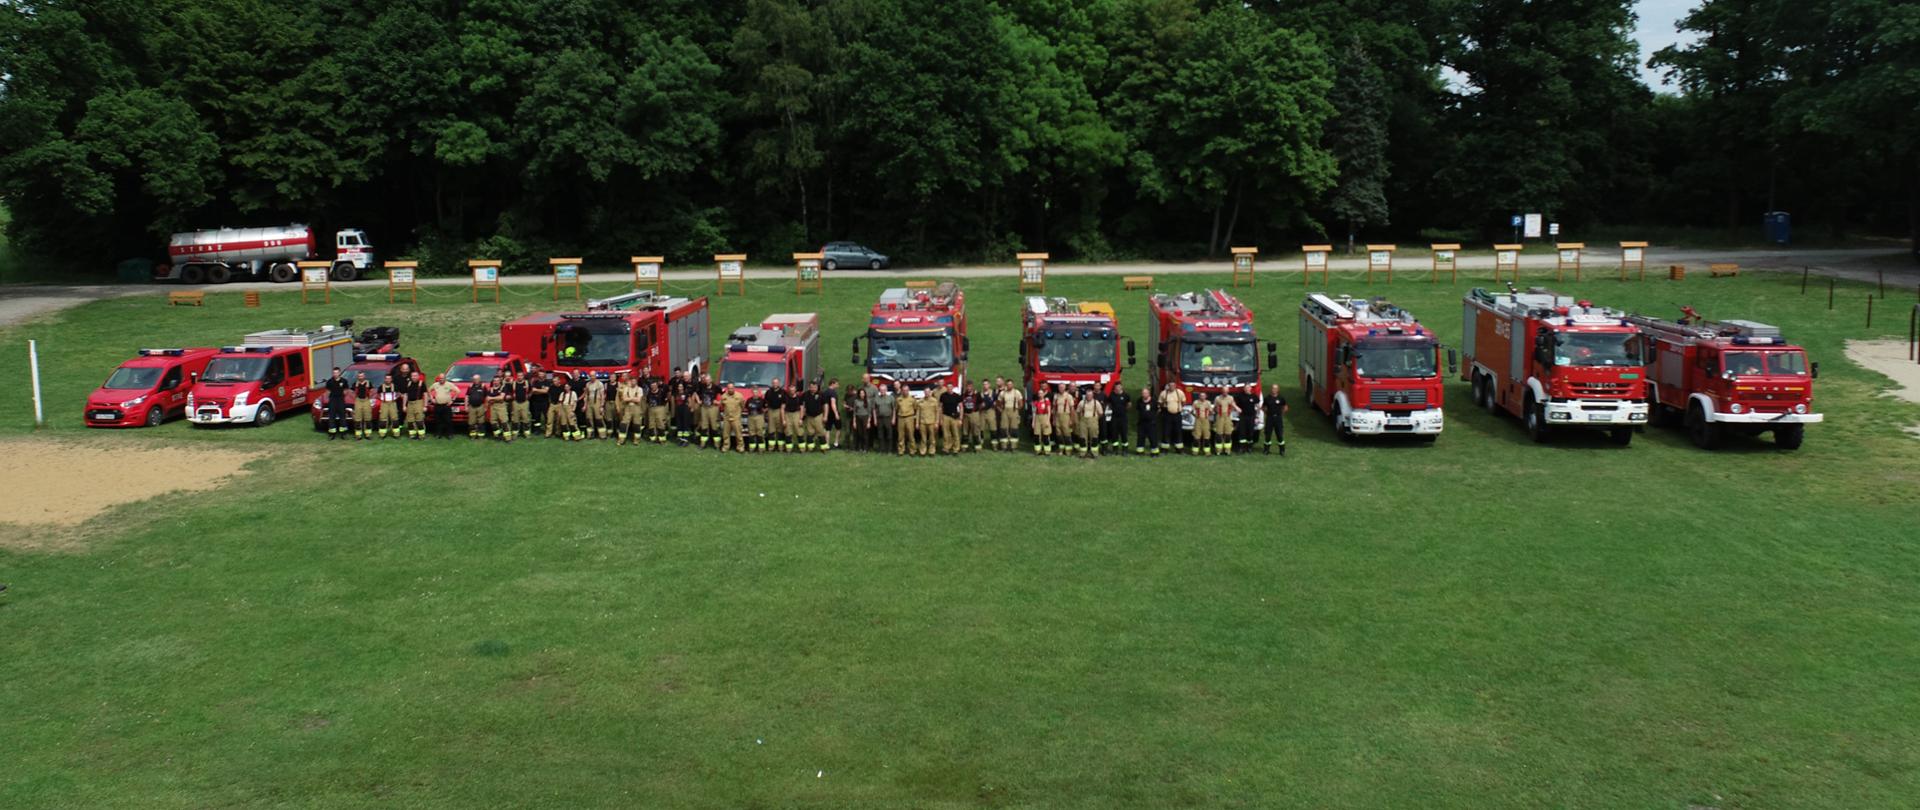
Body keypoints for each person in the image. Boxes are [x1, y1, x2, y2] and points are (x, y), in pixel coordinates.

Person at [320, 367, 350, 439]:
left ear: (339, 373)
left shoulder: (344, 381)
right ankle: (332, 434)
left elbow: (346, 390)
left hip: (340, 400)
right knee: (331, 417)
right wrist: (332, 397)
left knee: (342, 417)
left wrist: (341, 395)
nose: (335, 374)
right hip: (332, 400)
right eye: (334, 373)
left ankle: (343, 434)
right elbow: (328, 391)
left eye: (336, 373)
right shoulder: (329, 381)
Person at [428, 373, 459, 439]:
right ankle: (438, 434)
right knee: (438, 420)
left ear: (445, 378)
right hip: (438, 405)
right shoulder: (435, 385)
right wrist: (432, 398)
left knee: (448, 421)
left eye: (442, 378)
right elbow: (429, 390)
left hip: (446, 406)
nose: (441, 379)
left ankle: (450, 434)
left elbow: (458, 391)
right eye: (440, 378)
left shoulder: (449, 384)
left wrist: (452, 400)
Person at [996, 378, 1024, 451]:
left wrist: (1017, 411)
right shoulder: (1002, 393)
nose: (1009, 386)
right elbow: (998, 403)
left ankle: (1013, 446)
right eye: (1008, 384)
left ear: (1013, 385)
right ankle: (1004, 446)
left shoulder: (1017, 392)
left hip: (1014, 411)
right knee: (1003, 429)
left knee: (1014, 429)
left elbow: (1021, 403)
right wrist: (1001, 410)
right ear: (1006, 385)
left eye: (1011, 384)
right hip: (1005, 411)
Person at [1076, 386, 1103, 458]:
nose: (1089, 397)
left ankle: (1094, 453)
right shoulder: (1081, 402)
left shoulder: (1096, 403)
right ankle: (1082, 453)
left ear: (1093, 395)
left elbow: (1101, 413)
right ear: (1085, 395)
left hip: (1093, 422)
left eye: (1090, 395)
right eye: (1087, 395)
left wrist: (1095, 419)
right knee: (1082, 438)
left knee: (1094, 438)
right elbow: (1078, 412)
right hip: (1083, 422)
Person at [1159, 382, 1187, 452]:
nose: (1172, 387)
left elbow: (1184, 402)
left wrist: (1179, 408)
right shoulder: (1163, 393)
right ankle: (1164, 449)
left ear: (1175, 386)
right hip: (1167, 415)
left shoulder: (1180, 392)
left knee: (1178, 431)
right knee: (1166, 431)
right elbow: (1160, 403)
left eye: (1173, 385)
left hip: (1177, 415)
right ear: (1168, 386)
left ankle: (1179, 449)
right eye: (1170, 386)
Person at [802, 381, 829, 451]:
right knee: (809, 433)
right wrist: (802, 416)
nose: (813, 389)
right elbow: (802, 406)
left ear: (817, 387)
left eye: (815, 387)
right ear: (809, 387)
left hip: (818, 416)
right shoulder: (805, 394)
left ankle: (823, 448)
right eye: (811, 387)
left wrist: (825, 416)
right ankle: (810, 448)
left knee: (821, 432)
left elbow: (825, 405)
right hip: (809, 416)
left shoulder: (821, 394)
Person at [1263, 383, 1288, 455]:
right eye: (1273, 388)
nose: (1274, 390)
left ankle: (1282, 450)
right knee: (1268, 434)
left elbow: (1285, 407)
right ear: (1271, 389)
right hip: (1269, 418)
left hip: (1278, 418)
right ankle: (1266, 450)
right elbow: (1264, 407)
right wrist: (1267, 413)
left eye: (1275, 388)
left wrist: (1281, 414)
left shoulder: (1281, 398)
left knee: (1279, 434)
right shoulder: (1267, 398)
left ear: (1278, 390)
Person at [1051, 384, 1077, 455]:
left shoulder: (1069, 396)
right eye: (1059, 387)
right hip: (1057, 416)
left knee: (1067, 434)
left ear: (1065, 388)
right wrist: (1054, 419)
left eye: (1062, 387)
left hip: (1066, 416)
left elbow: (1072, 409)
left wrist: (1071, 420)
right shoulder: (1056, 396)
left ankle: (1068, 450)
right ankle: (1061, 450)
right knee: (1059, 434)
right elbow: (1054, 408)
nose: (1061, 389)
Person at [718, 384, 746, 452]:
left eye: (732, 388)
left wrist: (738, 413)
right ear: (727, 389)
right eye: (729, 388)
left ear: (734, 388)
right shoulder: (724, 396)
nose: (730, 390)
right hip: (727, 418)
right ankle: (726, 446)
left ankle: (740, 447)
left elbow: (743, 406)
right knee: (725, 434)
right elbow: (722, 405)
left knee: (738, 434)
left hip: (736, 418)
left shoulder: (739, 396)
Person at [916, 384, 941, 456]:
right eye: (925, 392)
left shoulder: (934, 401)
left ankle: (932, 451)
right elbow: (918, 413)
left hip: (932, 422)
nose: (927, 393)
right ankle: (923, 451)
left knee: (932, 438)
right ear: (924, 392)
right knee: (923, 438)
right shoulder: (920, 401)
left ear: (930, 392)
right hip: (922, 422)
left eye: (928, 392)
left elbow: (937, 412)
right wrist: (917, 423)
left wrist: (937, 422)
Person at [762, 382, 789, 451]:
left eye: (776, 383)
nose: (775, 384)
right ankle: (771, 447)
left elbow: (786, 402)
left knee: (780, 429)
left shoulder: (783, 392)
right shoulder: (769, 392)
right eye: (774, 383)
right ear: (772, 384)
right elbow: (765, 401)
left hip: (780, 411)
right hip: (771, 411)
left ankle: (781, 447)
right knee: (771, 430)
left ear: (779, 384)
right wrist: (765, 409)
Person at [1233, 383, 1259, 453]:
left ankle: (1249, 447)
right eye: (1246, 388)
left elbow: (1257, 406)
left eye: (1248, 387)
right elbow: (1233, 402)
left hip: (1251, 417)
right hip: (1243, 417)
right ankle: (1242, 448)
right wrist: (1237, 408)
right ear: (1244, 389)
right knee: (1242, 432)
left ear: (1251, 388)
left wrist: (1257, 416)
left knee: (1250, 432)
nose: (1247, 389)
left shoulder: (1254, 396)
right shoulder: (1240, 396)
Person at [1134, 385, 1160, 456]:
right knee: (1140, 437)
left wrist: (1153, 417)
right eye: (1143, 393)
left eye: (1145, 393)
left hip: (1151, 423)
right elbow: (1138, 410)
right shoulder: (1139, 401)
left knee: (1153, 438)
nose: (1144, 394)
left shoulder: (1154, 401)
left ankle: (1154, 452)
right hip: (1141, 423)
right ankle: (1140, 452)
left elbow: (1158, 410)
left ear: (1149, 393)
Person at [963, 381, 988, 451]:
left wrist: (977, 410)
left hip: (974, 414)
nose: (969, 388)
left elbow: (983, 404)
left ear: (972, 387)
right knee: (965, 431)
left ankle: (977, 447)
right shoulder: (964, 395)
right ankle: (964, 447)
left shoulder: (977, 394)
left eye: (970, 386)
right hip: (966, 414)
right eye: (967, 386)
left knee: (975, 431)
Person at [1211, 388, 1238, 455]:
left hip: (1228, 416)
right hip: (1219, 416)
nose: (1225, 393)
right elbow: (1214, 407)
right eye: (1223, 391)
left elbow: (1234, 406)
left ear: (1228, 391)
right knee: (1219, 434)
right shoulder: (1217, 398)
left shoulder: (1231, 398)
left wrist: (1236, 409)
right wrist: (1213, 411)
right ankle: (1218, 451)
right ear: (1221, 391)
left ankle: (1227, 450)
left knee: (1228, 434)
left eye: (1226, 391)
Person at [1104, 385, 1129, 453]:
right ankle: (1115, 449)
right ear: (1114, 388)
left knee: (1124, 434)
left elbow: (1129, 404)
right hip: (1114, 417)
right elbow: (1108, 403)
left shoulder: (1126, 395)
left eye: (1119, 387)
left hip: (1123, 418)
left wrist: (1125, 410)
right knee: (1114, 434)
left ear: (1121, 387)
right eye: (1116, 387)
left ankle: (1125, 449)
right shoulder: (1111, 395)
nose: (1118, 389)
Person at [349, 371, 374, 439]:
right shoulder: (355, 384)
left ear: (364, 376)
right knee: (357, 418)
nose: (360, 377)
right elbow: (351, 391)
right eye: (359, 376)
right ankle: (358, 435)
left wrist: (370, 397)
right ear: (358, 377)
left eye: (362, 376)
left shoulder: (369, 383)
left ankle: (368, 434)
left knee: (368, 418)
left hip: (366, 400)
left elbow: (372, 391)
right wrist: (354, 397)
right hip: (358, 401)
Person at [486, 377, 512, 442]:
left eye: (497, 381)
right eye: (494, 381)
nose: (496, 382)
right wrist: (493, 399)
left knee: (504, 422)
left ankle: (508, 438)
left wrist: (491, 398)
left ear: (500, 381)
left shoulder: (503, 388)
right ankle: (499, 436)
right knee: (493, 422)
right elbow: (487, 398)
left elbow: (501, 397)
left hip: (501, 406)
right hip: (492, 406)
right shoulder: (490, 389)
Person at [403, 371, 427, 439]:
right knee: (410, 421)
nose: (414, 377)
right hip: (410, 404)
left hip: (418, 403)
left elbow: (425, 395)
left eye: (415, 376)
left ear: (418, 376)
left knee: (419, 420)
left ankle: (421, 435)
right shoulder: (408, 383)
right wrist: (404, 405)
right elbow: (405, 395)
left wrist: (425, 406)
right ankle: (412, 435)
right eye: (412, 376)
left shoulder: (421, 383)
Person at [871, 383, 895, 453]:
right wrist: (875, 420)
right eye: (881, 390)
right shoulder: (876, 399)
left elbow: (894, 409)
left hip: (888, 418)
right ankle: (882, 449)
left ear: (886, 390)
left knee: (889, 435)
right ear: (879, 390)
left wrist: (893, 418)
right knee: (880, 435)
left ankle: (889, 449)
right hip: (879, 419)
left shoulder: (891, 398)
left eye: (884, 390)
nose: (882, 391)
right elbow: (874, 410)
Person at [847, 386, 871, 452]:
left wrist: (869, 422)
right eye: (860, 393)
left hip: (865, 417)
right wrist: (854, 422)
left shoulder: (868, 401)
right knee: (859, 433)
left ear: (865, 394)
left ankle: (865, 448)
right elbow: (854, 412)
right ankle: (860, 447)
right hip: (858, 417)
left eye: (863, 393)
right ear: (859, 394)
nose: (862, 394)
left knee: (865, 433)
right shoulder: (856, 401)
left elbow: (869, 412)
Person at [1030, 385, 1052, 454]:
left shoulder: (1047, 401)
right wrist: (1033, 422)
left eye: (1041, 393)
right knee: (1036, 435)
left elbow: (1049, 412)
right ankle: (1038, 450)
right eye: (1039, 393)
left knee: (1046, 436)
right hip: (1037, 418)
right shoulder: (1035, 403)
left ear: (1043, 394)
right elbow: (1034, 413)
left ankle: (1047, 451)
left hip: (1045, 417)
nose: (1040, 395)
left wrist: (1048, 421)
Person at [509, 370, 532, 438]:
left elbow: (531, 390)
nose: (520, 377)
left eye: (521, 376)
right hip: (515, 402)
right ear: (517, 376)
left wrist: (529, 396)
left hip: (525, 403)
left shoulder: (527, 383)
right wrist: (512, 396)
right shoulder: (513, 383)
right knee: (515, 419)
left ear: (523, 376)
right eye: (518, 376)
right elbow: (510, 392)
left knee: (525, 418)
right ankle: (515, 434)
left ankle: (527, 434)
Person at [528, 370, 551, 437]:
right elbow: (533, 391)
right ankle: (537, 430)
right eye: (539, 374)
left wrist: (537, 390)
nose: (540, 375)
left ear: (544, 375)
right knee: (537, 416)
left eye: (542, 374)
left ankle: (547, 430)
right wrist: (541, 391)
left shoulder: (547, 382)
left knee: (546, 416)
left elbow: (546, 391)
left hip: (545, 402)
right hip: (536, 402)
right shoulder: (535, 382)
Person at [376, 374, 399, 438]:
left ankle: (396, 434)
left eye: (389, 378)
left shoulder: (395, 386)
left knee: (395, 419)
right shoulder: (381, 387)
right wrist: (381, 399)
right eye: (386, 378)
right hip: (384, 403)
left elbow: (398, 393)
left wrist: (395, 398)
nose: (388, 380)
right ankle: (382, 434)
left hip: (392, 403)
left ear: (391, 379)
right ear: (384, 379)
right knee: (383, 419)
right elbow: (377, 395)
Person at [823, 378, 843, 449]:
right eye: (837, 384)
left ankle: (827, 444)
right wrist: (836, 413)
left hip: (827, 413)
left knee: (827, 429)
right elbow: (833, 403)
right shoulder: (833, 393)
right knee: (838, 428)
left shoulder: (825, 392)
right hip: (833, 413)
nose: (838, 386)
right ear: (832, 384)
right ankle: (836, 443)